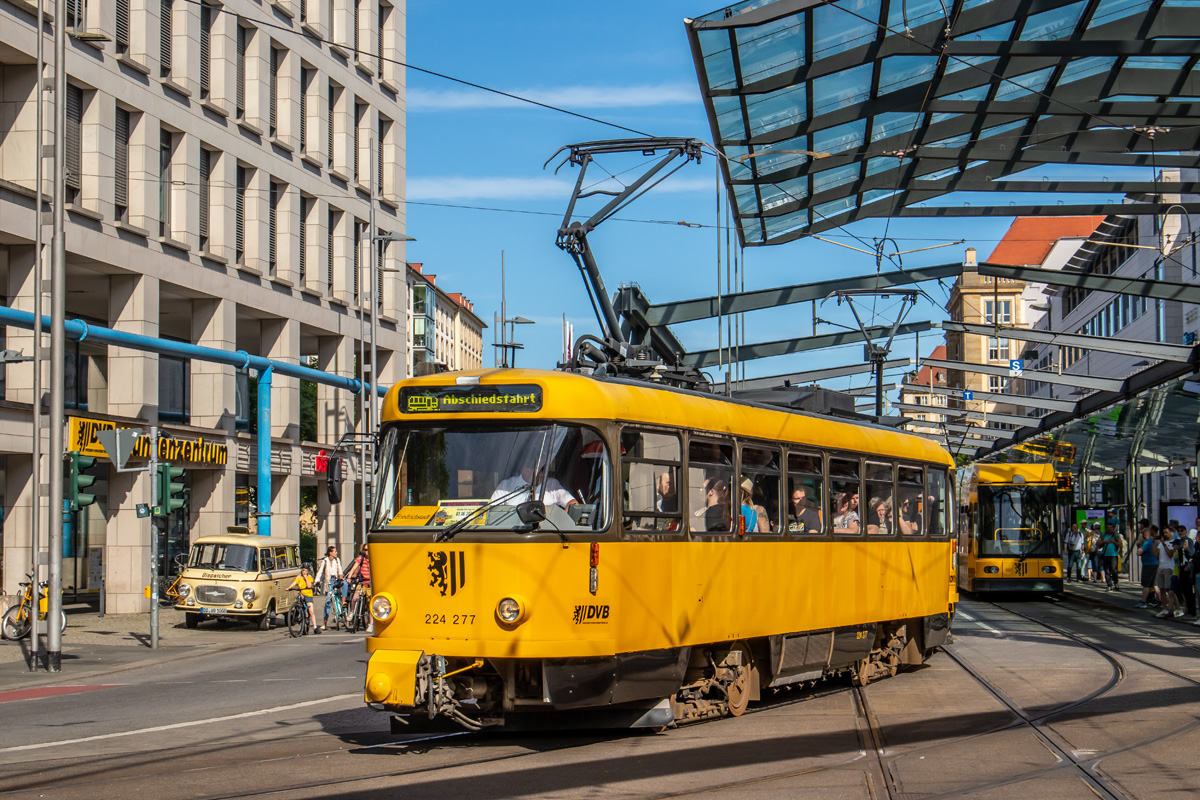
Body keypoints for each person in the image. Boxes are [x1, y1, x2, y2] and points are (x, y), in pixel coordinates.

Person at [491, 463, 576, 509]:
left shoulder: (552, 485)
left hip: (544, 534)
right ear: (524, 469)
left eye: (542, 469)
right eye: (539, 468)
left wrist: (562, 523)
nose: (541, 473)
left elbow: (573, 503)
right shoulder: (506, 486)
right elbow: (492, 510)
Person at [314, 545, 343, 632]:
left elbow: (340, 570)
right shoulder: (325, 561)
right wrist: (317, 580)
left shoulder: (337, 560)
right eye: (335, 551)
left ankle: (341, 613)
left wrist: (341, 576)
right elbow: (320, 571)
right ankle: (324, 623)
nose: (336, 553)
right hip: (328, 582)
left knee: (338, 597)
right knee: (327, 602)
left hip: (335, 580)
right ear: (330, 553)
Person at [286, 565, 319, 634]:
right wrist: (289, 587)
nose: (305, 572)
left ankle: (315, 627)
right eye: (303, 571)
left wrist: (306, 578)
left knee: (311, 611)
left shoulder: (309, 577)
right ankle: (299, 612)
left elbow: (309, 585)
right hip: (301, 593)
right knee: (298, 599)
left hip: (308, 595)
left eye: (306, 571)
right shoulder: (299, 577)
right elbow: (294, 583)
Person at [346, 543, 372, 624]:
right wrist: (349, 577)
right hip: (362, 582)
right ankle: (352, 612)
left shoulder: (374, 558)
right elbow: (353, 568)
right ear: (363, 551)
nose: (367, 551)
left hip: (370, 584)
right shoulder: (361, 558)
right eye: (365, 550)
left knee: (370, 604)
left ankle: (371, 624)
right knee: (354, 598)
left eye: (368, 549)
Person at [1135, 523, 1159, 608]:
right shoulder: (1155, 541)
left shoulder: (1148, 542)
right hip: (1155, 564)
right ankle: (1159, 600)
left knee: (1146, 584)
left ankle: (1143, 601)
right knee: (1154, 584)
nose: (1142, 536)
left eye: (1143, 534)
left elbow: (1139, 552)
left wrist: (1140, 548)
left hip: (1148, 565)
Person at [1100, 524, 1121, 591]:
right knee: (1107, 571)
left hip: (1114, 555)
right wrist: (1105, 541)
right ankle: (1109, 585)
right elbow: (1098, 543)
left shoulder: (1116, 535)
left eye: (1111, 527)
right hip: (1105, 555)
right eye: (1108, 527)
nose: (1110, 529)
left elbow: (1120, 544)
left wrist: (1113, 541)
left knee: (1114, 570)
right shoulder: (1103, 535)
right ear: (1106, 529)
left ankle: (1116, 583)